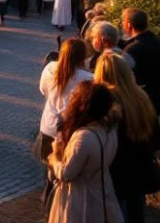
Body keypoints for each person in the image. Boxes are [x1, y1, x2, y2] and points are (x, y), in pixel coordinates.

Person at [96, 53, 160, 223]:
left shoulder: (105, 100)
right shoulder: (141, 96)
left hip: (114, 170)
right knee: (136, 211)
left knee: (114, 212)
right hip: (139, 166)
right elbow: (155, 136)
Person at [48, 82, 123, 223]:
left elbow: (66, 174)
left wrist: (54, 159)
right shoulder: (111, 130)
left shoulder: (83, 137)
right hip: (102, 190)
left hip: (80, 198)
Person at [39, 39, 94, 163]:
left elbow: (43, 90)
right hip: (72, 129)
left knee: (49, 165)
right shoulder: (88, 78)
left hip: (49, 125)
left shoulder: (50, 68)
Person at [121, 8, 160, 114]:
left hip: (140, 100)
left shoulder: (132, 49)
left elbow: (123, 74)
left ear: (129, 24)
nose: (122, 25)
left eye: (123, 21)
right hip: (159, 98)